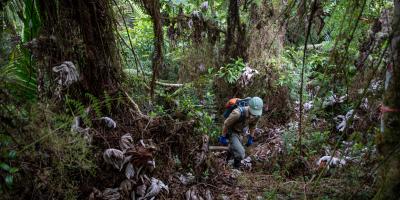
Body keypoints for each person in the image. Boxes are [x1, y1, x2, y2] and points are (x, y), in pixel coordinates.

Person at [218, 97, 263, 168]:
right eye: (253, 112)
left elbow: (253, 125)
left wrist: (251, 137)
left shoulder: (257, 115)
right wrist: (223, 136)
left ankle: (226, 161)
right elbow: (226, 124)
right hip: (231, 131)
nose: (254, 116)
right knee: (241, 153)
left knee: (235, 148)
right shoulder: (237, 113)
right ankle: (235, 167)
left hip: (241, 131)